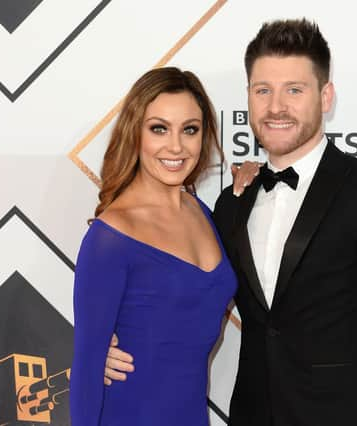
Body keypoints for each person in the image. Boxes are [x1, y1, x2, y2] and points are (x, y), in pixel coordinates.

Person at [104, 19, 357, 426]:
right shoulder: (231, 204)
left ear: (326, 96)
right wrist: (110, 344)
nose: (276, 107)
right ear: (248, 97)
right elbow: (187, 295)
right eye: (263, 90)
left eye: (294, 90)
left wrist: (348, 391)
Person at [70, 67, 237, 425]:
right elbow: (86, 371)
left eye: (189, 129)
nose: (176, 146)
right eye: (159, 128)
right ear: (135, 134)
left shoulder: (202, 212)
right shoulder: (111, 236)